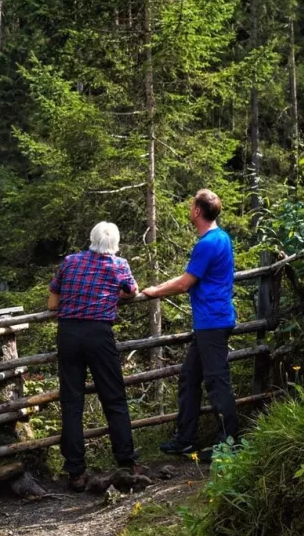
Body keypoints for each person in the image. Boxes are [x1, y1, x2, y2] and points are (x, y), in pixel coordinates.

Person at [139, 189, 239, 459]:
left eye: (191, 205)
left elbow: (185, 283)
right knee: (189, 378)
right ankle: (186, 439)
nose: (189, 209)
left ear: (197, 211)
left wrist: (154, 291)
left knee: (217, 383)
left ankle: (229, 445)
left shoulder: (208, 243)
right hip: (211, 320)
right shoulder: (221, 238)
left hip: (212, 322)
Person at [47, 221, 142, 492]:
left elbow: (53, 301)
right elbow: (131, 291)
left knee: (72, 403)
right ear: (115, 243)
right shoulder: (118, 265)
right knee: (114, 398)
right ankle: (126, 462)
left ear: (91, 239)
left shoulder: (70, 261)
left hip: (69, 334)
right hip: (100, 334)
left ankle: (76, 472)